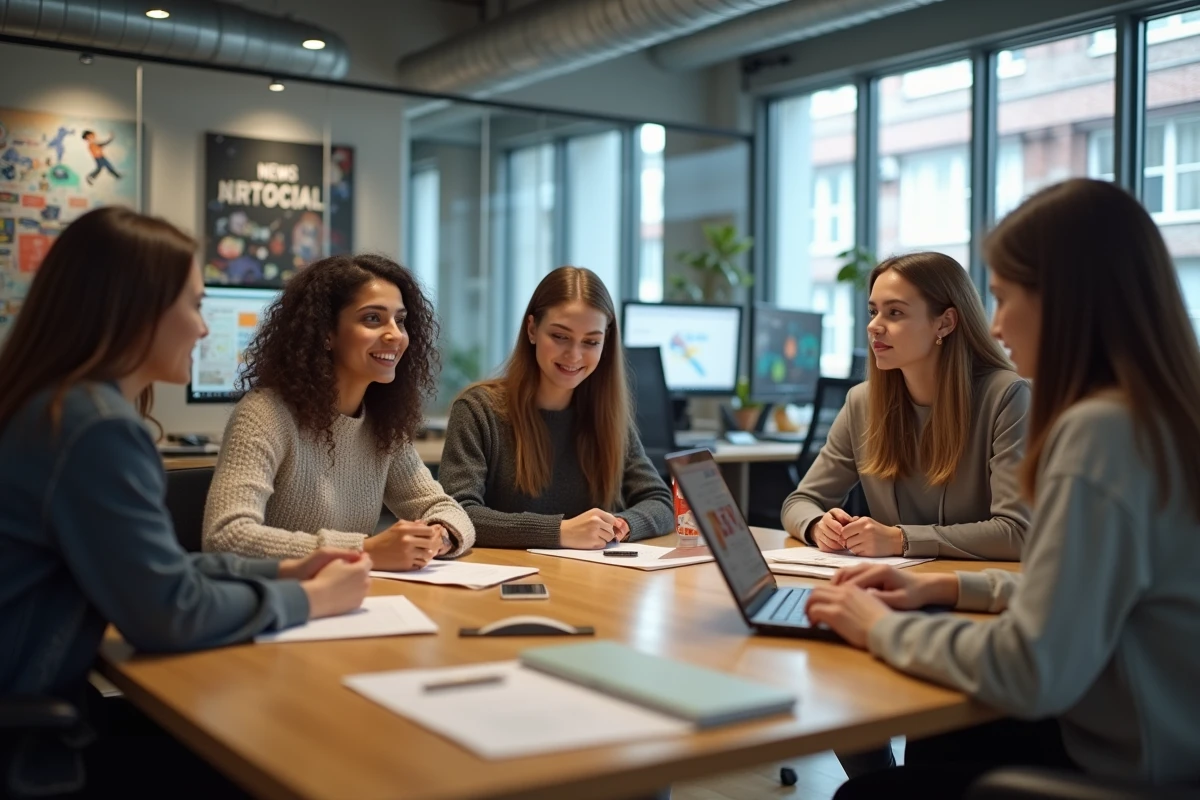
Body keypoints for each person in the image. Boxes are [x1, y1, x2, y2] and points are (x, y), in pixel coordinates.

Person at [807, 179, 1200, 797]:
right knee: (939, 740)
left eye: (1006, 297)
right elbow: (1077, 585)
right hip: (1160, 734)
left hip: (1118, 762)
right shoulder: (1160, 415)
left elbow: (1031, 668)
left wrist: (877, 625)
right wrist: (942, 584)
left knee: (870, 791)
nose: (997, 324)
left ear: (1071, 303)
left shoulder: (1098, 433)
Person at [0, 207, 371, 797]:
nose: (204, 329)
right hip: (28, 743)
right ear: (134, 309)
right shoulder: (94, 430)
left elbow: (157, 573)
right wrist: (307, 599)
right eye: (195, 305)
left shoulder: (54, 408)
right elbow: (166, 611)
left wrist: (283, 567)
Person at [203, 254, 474, 570]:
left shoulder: (382, 423)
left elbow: (445, 509)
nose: (395, 335)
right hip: (280, 607)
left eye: (399, 320)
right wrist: (364, 550)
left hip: (348, 600)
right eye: (372, 319)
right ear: (326, 333)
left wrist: (438, 536)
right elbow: (224, 538)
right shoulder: (265, 415)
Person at [782, 252, 1030, 562]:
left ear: (945, 323)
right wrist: (819, 525)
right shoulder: (863, 401)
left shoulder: (1007, 397)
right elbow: (801, 501)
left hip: (972, 590)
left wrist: (900, 539)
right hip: (894, 587)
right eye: (873, 311)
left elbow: (1017, 532)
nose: (874, 326)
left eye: (895, 313)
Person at [438, 266, 673, 549]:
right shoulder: (478, 410)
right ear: (532, 329)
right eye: (560, 336)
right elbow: (459, 514)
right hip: (507, 580)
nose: (574, 355)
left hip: (593, 581)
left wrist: (620, 526)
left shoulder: (607, 414)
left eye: (591, 342)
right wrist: (559, 531)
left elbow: (659, 501)